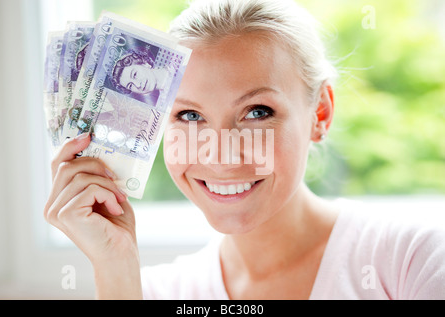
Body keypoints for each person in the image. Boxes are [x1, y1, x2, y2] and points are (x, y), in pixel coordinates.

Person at [43, 0, 445, 300]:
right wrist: (114, 269)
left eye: (257, 111)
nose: (220, 155)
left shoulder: (415, 261)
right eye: (189, 115)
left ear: (320, 113)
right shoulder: (153, 291)